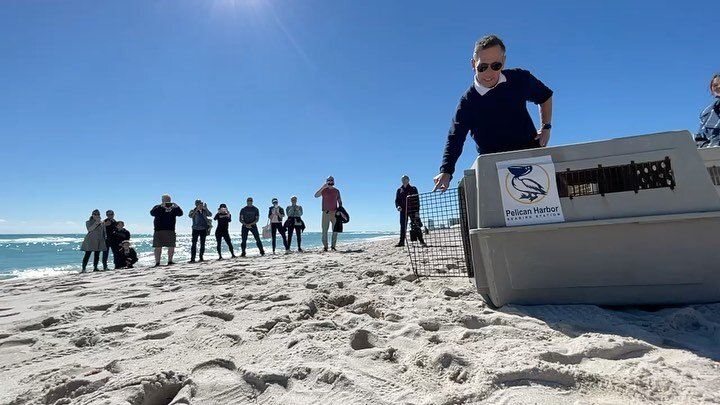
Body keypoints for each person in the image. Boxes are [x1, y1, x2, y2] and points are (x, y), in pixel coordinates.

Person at [433, 34, 554, 192]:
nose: (489, 73)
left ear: (503, 61)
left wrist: (546, 127)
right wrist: (446, 171)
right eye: (482, 67)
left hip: (531, 159)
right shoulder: (468, 102)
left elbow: (545, 96)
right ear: (473, 64)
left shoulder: (519, 79)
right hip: (494, 169)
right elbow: (455, 138)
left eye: (496, 65)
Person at [150, 194, 183, 267]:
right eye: (165, 200)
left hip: (170, 230)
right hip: (158, 230)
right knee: (158, 247)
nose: (167, 201)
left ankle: (170, 261)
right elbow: (152, 213)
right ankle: (157, 263)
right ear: (162, 200)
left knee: (171, 246)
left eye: (169, 200)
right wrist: (161, 206)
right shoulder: (157, 207)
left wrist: (177, 207)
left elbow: (180, 214)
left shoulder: (173, 208)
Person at [314, 176, 342, 251]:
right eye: (329, 180)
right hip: (325, 212)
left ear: (334, 181)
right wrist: (323, 186)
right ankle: (325, 247)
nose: (330, 181)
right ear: (326, 181)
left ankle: (333, 246)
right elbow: (316, 195)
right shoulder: (324, 190)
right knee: (324, 230)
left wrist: (340, 210)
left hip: (335, 213)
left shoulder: (336, 191)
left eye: (331, 180)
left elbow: (339, 201)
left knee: (335, 230)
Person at [695, 73, 720, 147]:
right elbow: (700, 139)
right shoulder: (706, 113)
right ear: (712, 89)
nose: (719, 86)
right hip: (711, 155)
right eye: (715, 85)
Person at [394, 175, 419, 247]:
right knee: (403, 227)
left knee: (416, 225)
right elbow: (396, 201)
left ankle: (421, 241)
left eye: (405, 179)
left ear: (408, 180)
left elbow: (417, 200)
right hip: (403, 211)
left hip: (413, 210)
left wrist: (417, 211)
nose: (404, 180)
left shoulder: (413, 188)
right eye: (402, 179)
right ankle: (401, 242)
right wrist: (398, 206)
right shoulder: (399, 190)